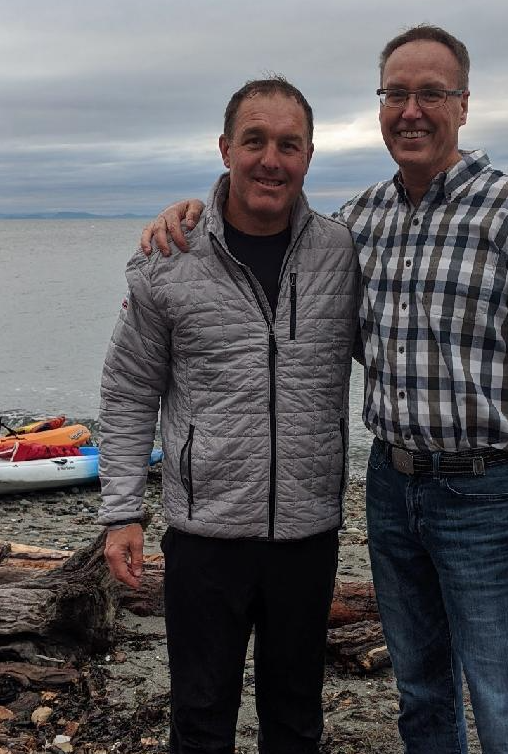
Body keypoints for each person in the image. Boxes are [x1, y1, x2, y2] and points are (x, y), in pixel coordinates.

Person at [139, 25, 508, 754]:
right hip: (390, 489)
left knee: (504, 704)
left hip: (490, 495)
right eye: (396, 94)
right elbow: (276, 238)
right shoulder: (360, 224)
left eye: (431, 94)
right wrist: (193, 217)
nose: (411, 111)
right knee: (419, 693)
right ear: (380, 107)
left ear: (463, 105)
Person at [97, 77, 360, 753]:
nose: (271, 159)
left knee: (296, 722)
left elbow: (401, 349)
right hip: (204, 535)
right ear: (224, 149)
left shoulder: (343, 253)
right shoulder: (168, 258)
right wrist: (122, 513)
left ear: (308, 156)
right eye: (254, 141)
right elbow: (129, 392)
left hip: (308, 532)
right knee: (200, 718)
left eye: (289, 145)